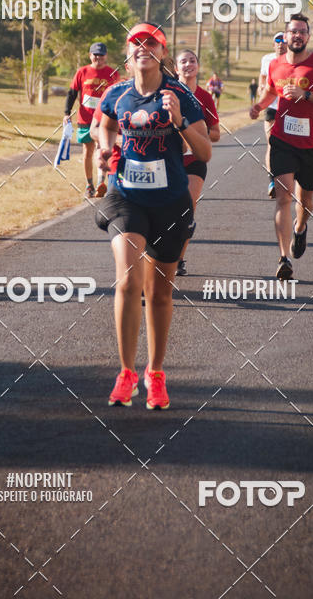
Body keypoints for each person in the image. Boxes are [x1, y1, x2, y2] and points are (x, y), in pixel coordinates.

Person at [96, 23, 211, 409]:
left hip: (170, 201)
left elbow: (205, 151)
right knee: (128, 279)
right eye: (135, 43)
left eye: (151, 43)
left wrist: (178, 121)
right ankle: (126, 373)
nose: (142, 48)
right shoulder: (117, 93)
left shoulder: (180, 95)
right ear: (128, 55)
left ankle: (155, 373)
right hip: (127, 197)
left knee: (159, 292)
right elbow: (105, 124)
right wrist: (104, 147)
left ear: (162, 53)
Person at [249, 14, 313, 280]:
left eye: (302, 32)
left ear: (307, 37)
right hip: (282, 140)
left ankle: (300, 228)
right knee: (283, 196)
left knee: (305, 200)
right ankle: (284, 257)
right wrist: (258, 106)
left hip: (311, 143)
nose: (297, 35)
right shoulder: (275, 65)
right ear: (285, 36)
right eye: (293, 31)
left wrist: (307, 95)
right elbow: (270, 92)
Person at [175, 49, 221, 276]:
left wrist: (196, 135)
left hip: (195, 160)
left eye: (192, 60)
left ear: (198, 66)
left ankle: (179, 259)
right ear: (176, 68)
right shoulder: (167, 94)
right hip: (170, 160)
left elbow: (216, 133)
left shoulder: (204, 97)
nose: (188, 64)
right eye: (183, 61)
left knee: (186, 211)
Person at [63, 42, 119, 198]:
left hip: (105, 119)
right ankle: (89, 184)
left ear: (106, 56)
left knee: (103, 149)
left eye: (101, 55)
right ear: (90, 55)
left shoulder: (112, 73)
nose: (98, 58)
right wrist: (67, 113)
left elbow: (117, 95)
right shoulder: (82, 72)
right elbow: (72, 93)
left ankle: (101, 182)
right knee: (87, 151)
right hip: (86, 118)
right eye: (95, 55)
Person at [259, 31, 287, 198]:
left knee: (288, 145)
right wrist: (262, 87)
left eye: (283, 41)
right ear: (273, 44)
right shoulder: (266, 59)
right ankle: (272, 180)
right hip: (271, 106)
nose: (280, 44)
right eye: (277, 40)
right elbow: (262, 76)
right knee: (272, 143)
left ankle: (288, 175)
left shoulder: (293, 60)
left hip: (289, 108)